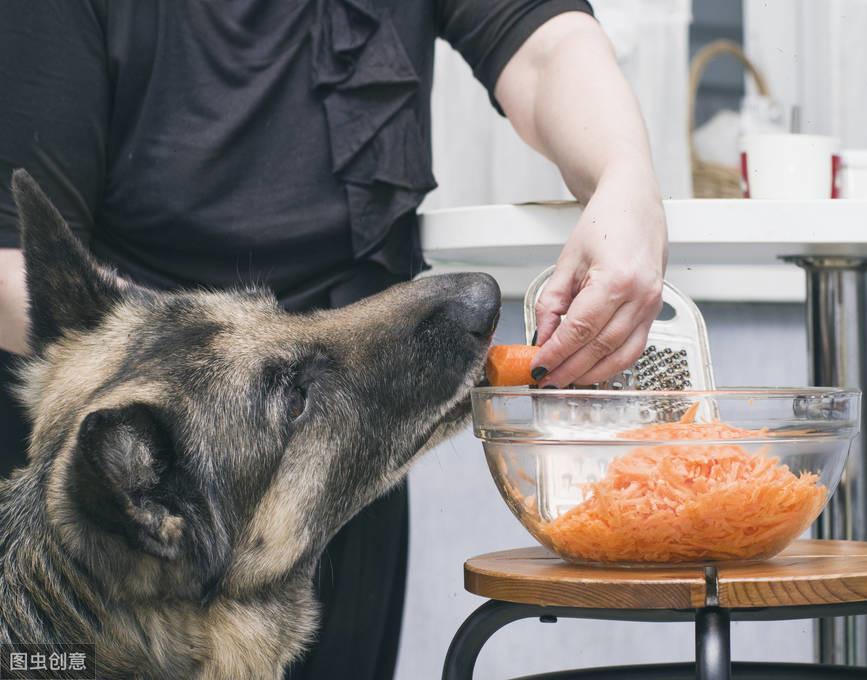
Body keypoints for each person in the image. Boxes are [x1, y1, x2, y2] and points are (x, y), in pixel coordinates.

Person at [0, 0, 667, 677]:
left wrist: (626, 182)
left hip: (326, 464)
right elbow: (9, 257)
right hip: (145, 478)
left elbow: (546, 47)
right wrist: (200, 389)